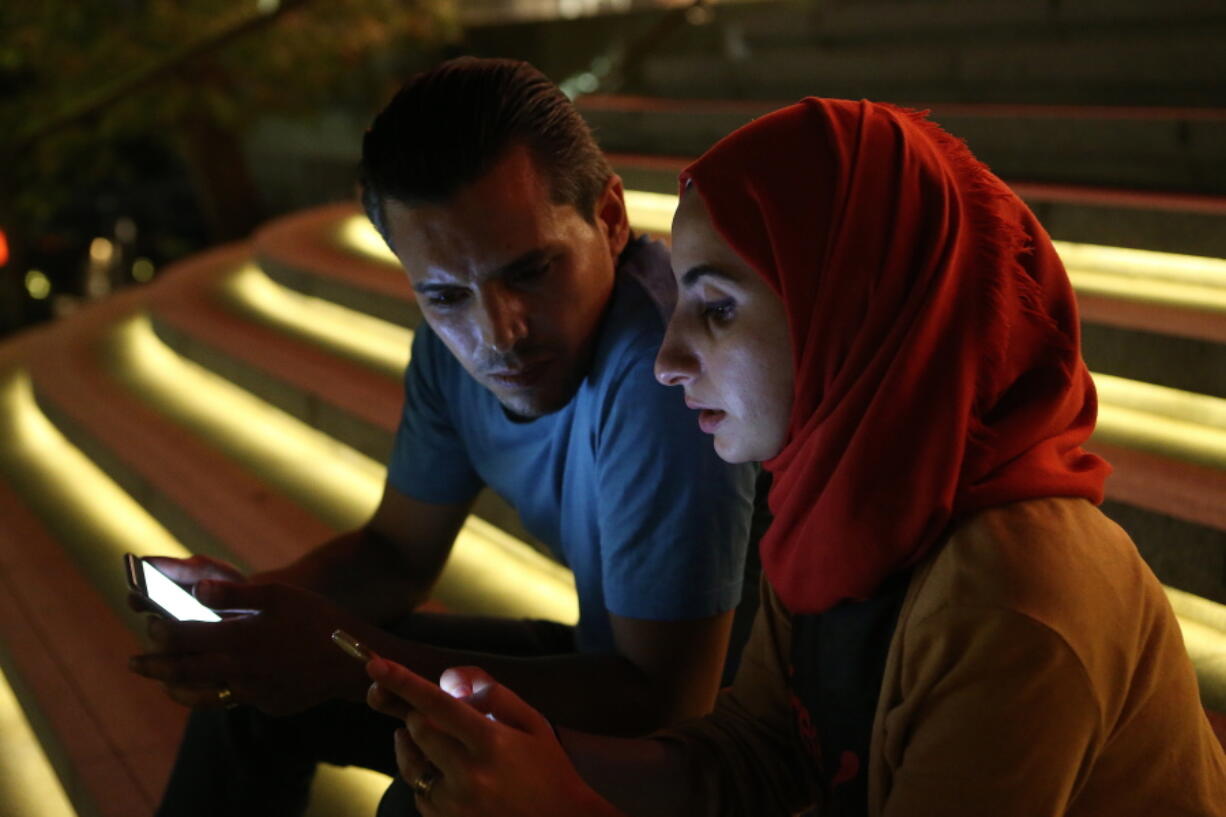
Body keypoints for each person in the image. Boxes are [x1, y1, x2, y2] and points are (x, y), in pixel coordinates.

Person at [361, 97, 1226, 816]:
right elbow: (759, 750)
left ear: (852, 310)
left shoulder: (1016, 604)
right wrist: (532, 753)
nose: (669, 358)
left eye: (719, 310)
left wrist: (564, 805)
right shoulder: (839, 502)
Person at [128, 57, 756, 816]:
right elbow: (395, 555)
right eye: (447, 294)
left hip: (734, 742)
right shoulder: (450, 353)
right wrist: (247, 610)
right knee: (253, 699)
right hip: (614, 665)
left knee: (421, 796)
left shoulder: (664, 370)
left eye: (529, 271)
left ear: (611, 219)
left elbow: (664, 701)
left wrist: (341, 660)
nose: (498, 335)